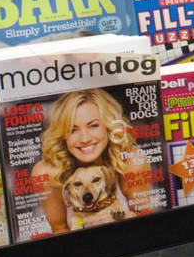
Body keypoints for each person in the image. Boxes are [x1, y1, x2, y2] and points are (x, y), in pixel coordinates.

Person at [30, 89, 155, 235]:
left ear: (108, 126)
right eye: (72, 129)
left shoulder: (131, 162)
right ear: (62, 135)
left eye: (94, 125)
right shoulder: (46, 173)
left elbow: (145, 224)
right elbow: (60, 232)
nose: (85, 138)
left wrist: (127, 218)